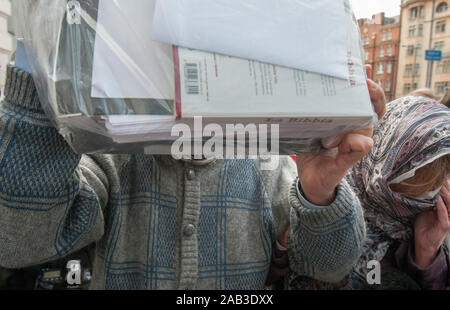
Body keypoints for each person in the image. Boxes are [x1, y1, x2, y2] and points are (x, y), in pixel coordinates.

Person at [0, 32, 386, 289]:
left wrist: (321, 190)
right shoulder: (112, 159)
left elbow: (330, 266)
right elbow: (17, 241)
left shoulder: (267, 165)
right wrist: (39, 74)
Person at [288, 94, 450, 290]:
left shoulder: (435, 221)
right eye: (412, 188)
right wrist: (319, 200)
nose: (421, 201)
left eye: (433, 187)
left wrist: (427, 253)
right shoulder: (326, 192)